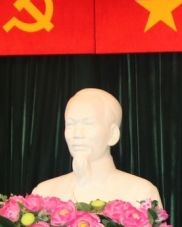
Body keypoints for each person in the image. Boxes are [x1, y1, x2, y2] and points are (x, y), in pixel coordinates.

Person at [33, 88, 163, 208]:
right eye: (70, 124)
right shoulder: (44, 192)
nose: (77, 134)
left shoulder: (140, 192)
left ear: (112, 134)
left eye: (89, 124)